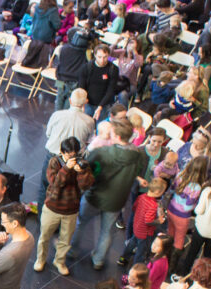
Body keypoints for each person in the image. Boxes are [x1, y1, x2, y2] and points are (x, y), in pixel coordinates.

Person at [72, 119, 149, 270]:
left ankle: (72, 249)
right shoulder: (139, 155)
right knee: (107, 231)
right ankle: (99, 260)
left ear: (118, 137)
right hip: (117, 200)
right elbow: (138, 172)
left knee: (81, 222)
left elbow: (88, 169)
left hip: (95, 195)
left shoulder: (102, 152)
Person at [36, 136, 95, 275]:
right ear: (62, 152)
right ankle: (40, 259)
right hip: (52, 207)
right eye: (69, 154)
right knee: (44, 236)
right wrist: (67, 169)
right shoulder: (54, 162)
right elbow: (55, 183)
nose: (72, 157)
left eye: (75, 154)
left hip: (71, 209)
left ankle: (59, 261)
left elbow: (86, 186)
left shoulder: (82, 164)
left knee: (65, 240)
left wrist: (81, 173)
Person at [79, 44, 119, 120]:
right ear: (95, 55)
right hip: (88, 103)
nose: (102, 60)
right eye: (99, 57)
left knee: (101, 127)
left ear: (109, 55)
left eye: (105, 57)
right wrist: (83, 103)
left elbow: (111, 90)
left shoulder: (113, 69)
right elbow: (81, 87)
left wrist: (100, 106)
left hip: (104, 104)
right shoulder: (86, 67)